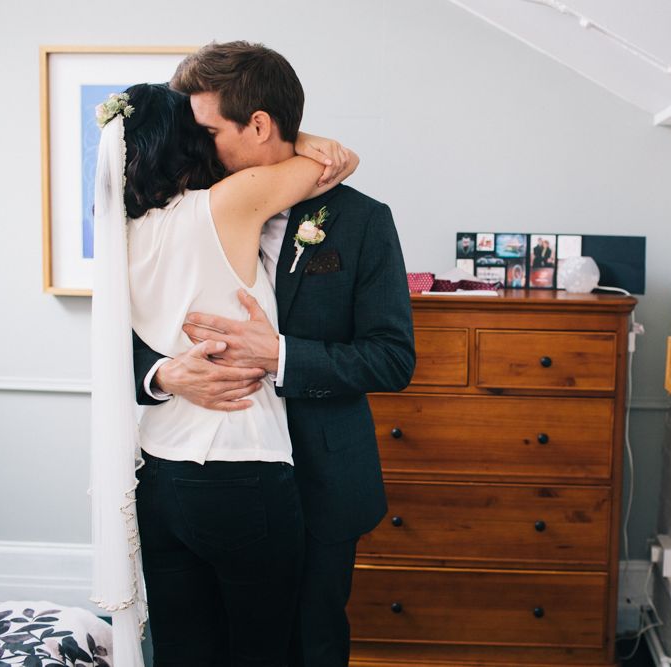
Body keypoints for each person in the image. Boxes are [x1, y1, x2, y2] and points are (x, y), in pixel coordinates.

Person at [132, 42, 415, 667]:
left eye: (207, 130)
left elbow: (392, 357)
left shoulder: (361, 220)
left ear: (258, 125)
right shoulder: (186, 206)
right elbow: (126, 333)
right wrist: (163, 373)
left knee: (305, 647)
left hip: (321, 479)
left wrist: (282, 354)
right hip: (205, 478)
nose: (197, 146)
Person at [90, 82, 360, 667]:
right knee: (266, 650)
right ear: (189, 141)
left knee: (185, 650)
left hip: (158, 473)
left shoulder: (122, 233)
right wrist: (304, 135)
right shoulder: (224, 205)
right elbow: (329, 163)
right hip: (242, 467)